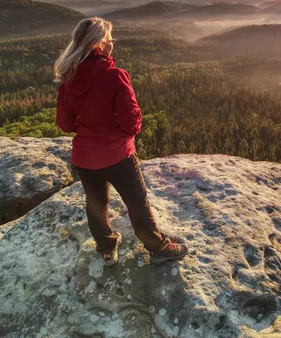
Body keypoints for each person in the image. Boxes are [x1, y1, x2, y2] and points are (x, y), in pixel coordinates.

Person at [54, 17, 188, 265]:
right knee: (137, 202)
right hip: (117, 156)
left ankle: (106, 249)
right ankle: (158, 248)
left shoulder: (68, 79)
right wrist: (125, 133)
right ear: (101, 44)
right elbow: (131, 121)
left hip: (84, 158)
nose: (112, 44)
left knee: (96, 204)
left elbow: (65, 124)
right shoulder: (115, 76)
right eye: (110, 40)